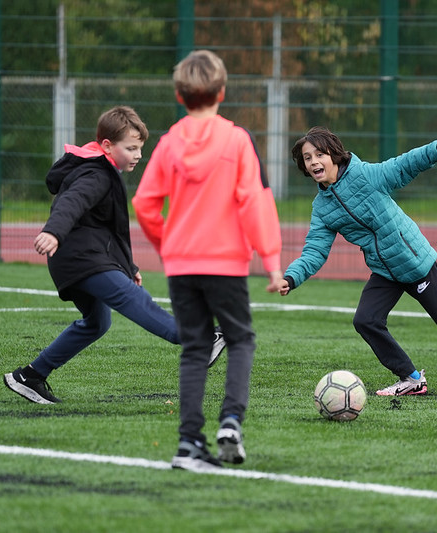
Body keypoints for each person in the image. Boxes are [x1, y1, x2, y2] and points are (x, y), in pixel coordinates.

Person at [273, 126, 437, 397]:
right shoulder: (322, 208)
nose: (314, 161)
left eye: (319, 154)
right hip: (384, 270)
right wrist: (291, 278)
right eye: (307, 158)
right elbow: (315, 251)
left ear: (335, 155)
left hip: (413, 262)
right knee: (366, 320)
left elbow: (403, 166)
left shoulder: (364, 175)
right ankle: (411, 378)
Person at [3, 106, 225, 405]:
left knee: (97, 323)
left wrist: (128, 265)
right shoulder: (96, 173)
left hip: (82, 258)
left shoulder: (101, 169)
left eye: (140, 148)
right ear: (107, 145)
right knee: (137, 302)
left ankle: (30, 376)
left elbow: (108, 230)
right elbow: (72, 202)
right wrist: (54, 231)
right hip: (84, 260)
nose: (137, 155)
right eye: (131, 148)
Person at [132, 50, 283, 471]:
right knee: (240, 341)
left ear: (180, 96)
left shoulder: (168, 142)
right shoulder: (237, 140)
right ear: (221, 92)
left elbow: (145, 204)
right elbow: (255, 202)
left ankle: (188, 443)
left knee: (195, 348)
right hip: (225, 264)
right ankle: (231, 423)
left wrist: (170, 244)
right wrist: (271, 261)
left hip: (181, 265)